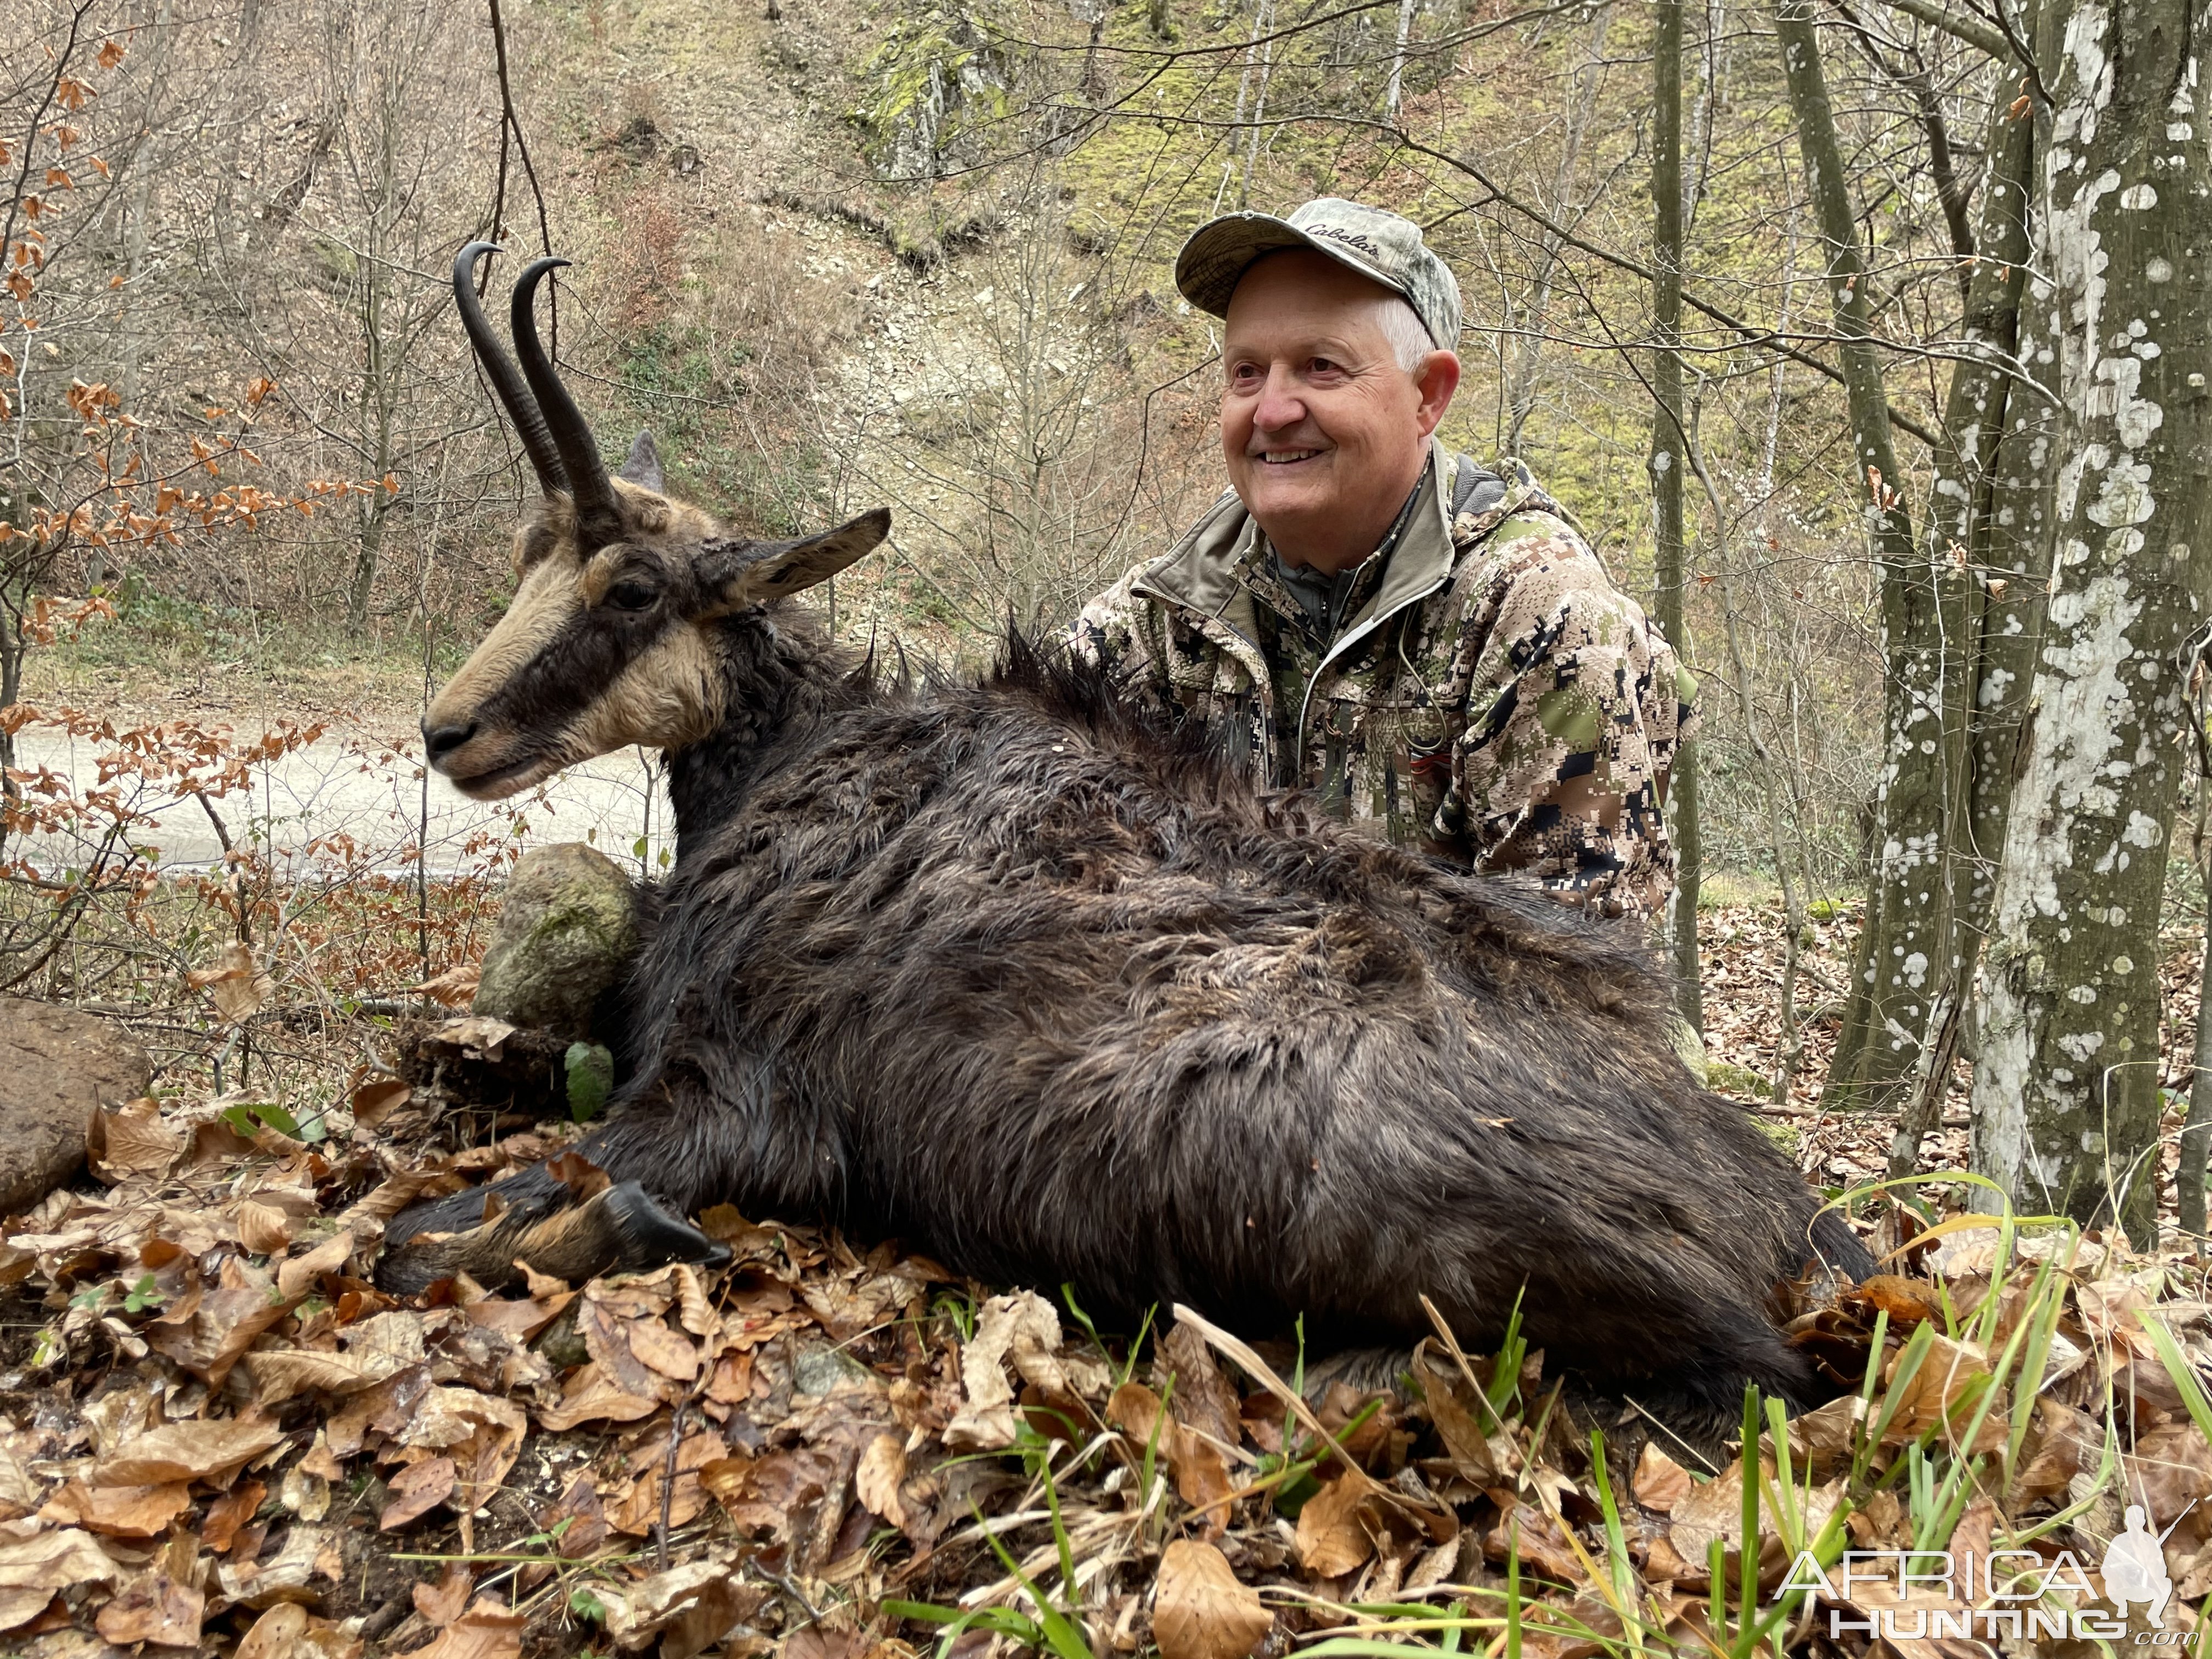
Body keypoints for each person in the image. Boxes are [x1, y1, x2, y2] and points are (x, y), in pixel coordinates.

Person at [1073, 199, 1696, 921]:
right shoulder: (1161, 619)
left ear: (1427, 395)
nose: (1271, 410)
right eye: (1246, 372)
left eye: (1320, 367)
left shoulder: (1540, 622)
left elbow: (1564, 980)